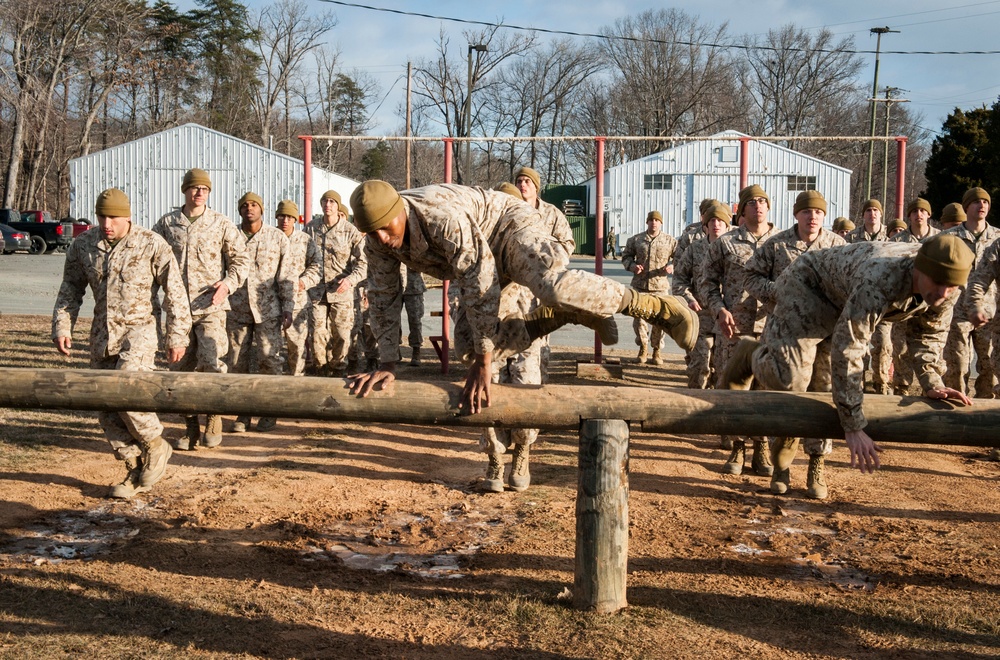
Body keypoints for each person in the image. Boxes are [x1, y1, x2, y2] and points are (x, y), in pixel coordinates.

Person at [346, 180, 698, 417]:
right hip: (483, 258)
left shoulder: (441, 219)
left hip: (509, 227)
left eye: (386, 226)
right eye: (370, 231)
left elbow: (478, 279)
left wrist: (485, 364)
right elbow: (383, 298)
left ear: (400, 210)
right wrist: (387, 363)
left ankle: (657, 307)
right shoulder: (377, 243)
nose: (381, 237)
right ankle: (568, 314)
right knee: (468, 345)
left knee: (551, 286)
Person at [723, 234, 974, 490]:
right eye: (938, 283)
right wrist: (853, 425)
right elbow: (850, 348)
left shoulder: (948, 288)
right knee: (789, 379)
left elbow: (928, 335)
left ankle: (814, 459)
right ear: (920, 268)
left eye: (952, 286)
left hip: (844, 298)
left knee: (824, 383)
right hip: (809, 287)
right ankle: (751, 354)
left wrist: (932, 380)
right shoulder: (879, 278)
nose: (943, 293)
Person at [53, 189, 192, 498]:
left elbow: (175, 291)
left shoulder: (151, 244)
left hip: (139, 334)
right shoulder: (83, 245)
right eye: (102, 216)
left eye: (113, 217)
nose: (107, 223)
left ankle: (156, 445)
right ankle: (133, 466)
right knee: (105, 406)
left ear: (127, 216)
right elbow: (70, 289)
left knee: (126, 390)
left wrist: (177, 335)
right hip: (102, 336)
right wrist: (63, 327)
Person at [743, 190, 845, 498]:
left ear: (824, 216)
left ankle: (817, 463)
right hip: (788, 332)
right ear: (796, 214)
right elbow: (751, 276)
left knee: (822, 394)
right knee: (789, 393)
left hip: (827, 333)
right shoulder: (777, 244)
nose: (812, 216)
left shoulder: (837, 246)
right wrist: (777, 292)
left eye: (818, 212)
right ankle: (781, 464)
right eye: (806, 212)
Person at [153, 168, 250, 450]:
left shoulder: (220, 223)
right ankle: (190, 427)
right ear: (185, 190)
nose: (199, 193)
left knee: (214, 363)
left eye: (204, 189)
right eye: (194, 188)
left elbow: (240, 261)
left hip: (211, 306)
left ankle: (214, 418)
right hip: (177, 309)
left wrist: (227, 285)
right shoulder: (167, 224)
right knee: (180, 369)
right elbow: (152, 259)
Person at [698, 184, 778, 463]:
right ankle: (737, 447)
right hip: (735, 328)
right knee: (735, 388)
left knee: (766, 388)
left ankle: (762, 447)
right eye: (752, 202)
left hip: (773, 328)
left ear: (769, 207)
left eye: (762, 201)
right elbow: (706, 282)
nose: (758, 206)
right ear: (742, 210)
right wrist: (719, 310)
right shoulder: (726, 243)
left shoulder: (783, 242)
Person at [227, 195, 295, 434]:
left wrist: (288, 306)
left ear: (262, 210)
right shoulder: (230, 235)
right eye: (245, 205)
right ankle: (241, 414)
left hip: (268, 310)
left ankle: (269, 412)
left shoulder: (276, 237)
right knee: (237, 362)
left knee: (269, 359)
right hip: (237, 309)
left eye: (254, 205)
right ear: (239, 210)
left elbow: (286, 276)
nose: (249, 209)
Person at [305, 190, 368, 377]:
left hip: (341, 292)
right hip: (317, 292)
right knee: (317, 333)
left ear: (338, 206)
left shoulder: (350, 231)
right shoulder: (311, 229)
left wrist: (350, 280)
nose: (328, 205)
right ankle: (321, 368)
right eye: (325, 201)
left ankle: (339, 367)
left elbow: (363, 263)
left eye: (332, 201)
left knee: (341, 334)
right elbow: (302, 255)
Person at [945, 187, 1000, 398]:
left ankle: (985, 417)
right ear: (966, 206)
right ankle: (956, 413)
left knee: (989, 369)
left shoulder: (997, 237)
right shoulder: (949, 238)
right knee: (957, 367)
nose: (982, 205)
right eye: (976, 202)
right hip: (957, 311)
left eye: (985, 202)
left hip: (988, 314)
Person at [672, 201, 732, 389]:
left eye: (720, 221)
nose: (716, 225)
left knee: (724, 368)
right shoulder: (694, 249)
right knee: (700, 366)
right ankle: (694, 401)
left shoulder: (736, 249)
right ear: (705, 226)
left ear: (727, 225)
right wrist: (689, 299)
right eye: (712, 221)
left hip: (729, 318)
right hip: (701, 317)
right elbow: (679, 279)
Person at [845, 198, 892, 395]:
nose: (872, 214)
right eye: (868, 210)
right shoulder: (851, 238)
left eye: (875, 210)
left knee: (883, 345)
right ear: (863, 214)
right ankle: (858, 383)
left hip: (884, 302)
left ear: (881, 214)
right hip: (858, 301)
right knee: (858, 345)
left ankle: (882, 384)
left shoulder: (892, 238)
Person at [622, 210, 678, 365]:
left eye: (657, 220)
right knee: (639, 319)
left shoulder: (670, 241)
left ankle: (657, 350)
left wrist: (672, 266)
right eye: (651, 220)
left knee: (661, 320)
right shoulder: (636, 240)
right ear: (647, 222)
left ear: (661, 223)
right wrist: (633, 266)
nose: (654, 222)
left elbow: (680, 258)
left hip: (660, 286)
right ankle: (643, 348)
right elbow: (626, 257)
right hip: (640, 286)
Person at [278, 200, 322, 377]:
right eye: (282, 216)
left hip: (297, 301)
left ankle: (297, 381)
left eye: (289, 217)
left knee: (297, 346)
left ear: (295, 219)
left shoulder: (305, 240)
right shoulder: (269, 236)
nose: (285, 221)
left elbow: (317, 265)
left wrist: (305, 281)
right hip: (270, 302)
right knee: (271, 349)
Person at [401, 263, 427, 366]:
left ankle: (416, 351)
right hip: (394, 285)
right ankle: (393, 352)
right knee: (392, 320)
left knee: (415, 321)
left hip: (413, 285)